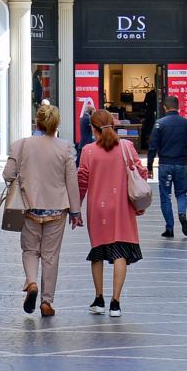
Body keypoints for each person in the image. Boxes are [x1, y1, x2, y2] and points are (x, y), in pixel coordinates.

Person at [2, 105, 83, 317]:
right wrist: (75, 211)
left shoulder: (21, 145)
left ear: (36, 122)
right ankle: (47, 302)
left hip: (29, 207)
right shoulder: (65, 148)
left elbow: (7, 174)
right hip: (57, 209)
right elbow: (71, 181)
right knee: (50, 256)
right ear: (56, 124)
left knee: (30, 250)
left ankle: (31, 283)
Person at [78, 108, 147, 318]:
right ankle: (115, 303)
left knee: (98, 252)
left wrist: (75, 208)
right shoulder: (126, 146)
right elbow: (140, 172)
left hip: (97, 208)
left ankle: (98, 299)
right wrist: (140, 202)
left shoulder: (88, 150)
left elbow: (82, 180)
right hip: (122, 206)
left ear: (93, 128)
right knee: (121, 253)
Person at [147, 95, 187, 238]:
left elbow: (152, 147)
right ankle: (182, 213)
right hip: (181, 163)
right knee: (181, 193)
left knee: (165, 196)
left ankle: (170, 228)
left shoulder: (159, 124)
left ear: (165, 107)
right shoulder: (186, 123)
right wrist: (186, 150)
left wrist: (149, 167)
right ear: (178, 106)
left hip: (165, 164)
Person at [77, 99, 95, 163]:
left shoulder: (83, 118)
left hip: (83, 140)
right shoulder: (88, 119)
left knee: (79, 159)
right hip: (87, 141)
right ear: (90, 111)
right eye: (93, 111)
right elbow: (93, 128)